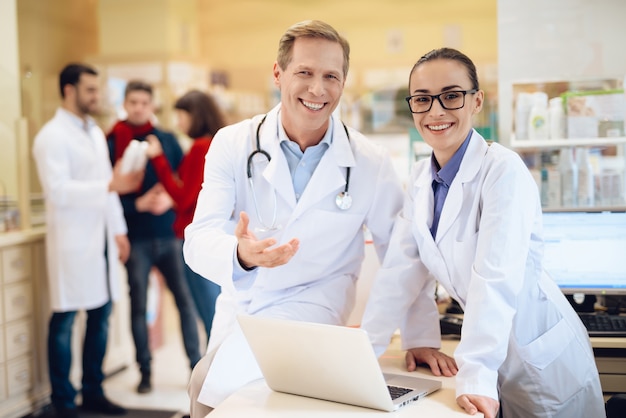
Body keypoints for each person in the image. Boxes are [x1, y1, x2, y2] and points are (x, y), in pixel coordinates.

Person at [183, 20, 421, 417]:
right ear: (278, 74)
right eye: (304, 73)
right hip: (244, 298)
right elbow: (198, 238)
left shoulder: (369, 162)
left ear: (344, 82)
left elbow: (402, 255)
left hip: (316, 299)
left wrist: (420, 336)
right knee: (210, 389)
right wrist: (242, 255)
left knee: (214, 388)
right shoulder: (233, 143)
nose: (318, 89)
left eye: (331, 76)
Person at [360, 48, 605, 418]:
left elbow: (494, 278)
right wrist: (363, 352)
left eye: (452, 95)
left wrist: (475, 375)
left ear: (477, 101)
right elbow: (400, 272)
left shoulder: (503, 171)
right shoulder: (420, 178)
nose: (436, 111)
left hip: (540, 358)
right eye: (423, 99)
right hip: (492, 351)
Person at [32, 63, 143, 418]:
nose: (97, 97)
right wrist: (110, 187)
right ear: (69, 90)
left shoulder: (94, 133)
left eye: (98, 90)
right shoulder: (51, 136)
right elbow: (58, 191)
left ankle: (93, 391)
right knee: (65, 318)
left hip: (102, 240)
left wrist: (120, 230)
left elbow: (108, 185)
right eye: (90, 90)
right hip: (72, 241)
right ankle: (64, 401)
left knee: (102, 315)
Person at [107, 80, 201, 394]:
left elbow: (183, 182)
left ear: (152, 106)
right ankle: (145, 372)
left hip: (170, 234)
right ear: (125, 104)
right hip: (137, 239)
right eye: (132, 102)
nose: (138, 108)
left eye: (144, 103)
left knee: (185, 303)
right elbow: (106, 192)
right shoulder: (112, 141)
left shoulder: (167, 139)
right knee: (139, 307)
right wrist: (137, 203)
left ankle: (195, 369)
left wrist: (168, 198)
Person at [145, 90, 226, 343]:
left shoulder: (201, 147)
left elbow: (183, 198)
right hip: (210, 236)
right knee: (211, 309)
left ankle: (215, 371)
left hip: (195, 237)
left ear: (196, 116)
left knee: (209, 312)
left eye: (182, 116)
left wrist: (158, 159)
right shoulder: (214, 143)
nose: (179, 123)